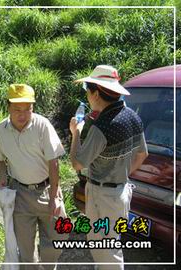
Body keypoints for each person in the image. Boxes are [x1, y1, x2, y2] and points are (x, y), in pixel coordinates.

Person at [69, 65, 149, 270]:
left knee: (105, 249)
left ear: (96, 93)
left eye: (88, 91)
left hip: (102, 195)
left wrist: (76, 133)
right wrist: (122, 174)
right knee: (109, 244)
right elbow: (142, 154)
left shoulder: (101, 127)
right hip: (120, 192)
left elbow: (77, 163)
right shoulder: (132, 116)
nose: (87, 96)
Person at [0, 84, 67, 270]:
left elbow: (53, 162)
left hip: (47, 190)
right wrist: (2, 176)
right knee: (25, 248)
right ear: (8, 107)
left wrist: (54, 197)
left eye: (28, 109)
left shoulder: (42, 125)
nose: (23, 115)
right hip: (20, 194)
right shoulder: (1, 129)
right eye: (17, 110)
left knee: (55, 241)